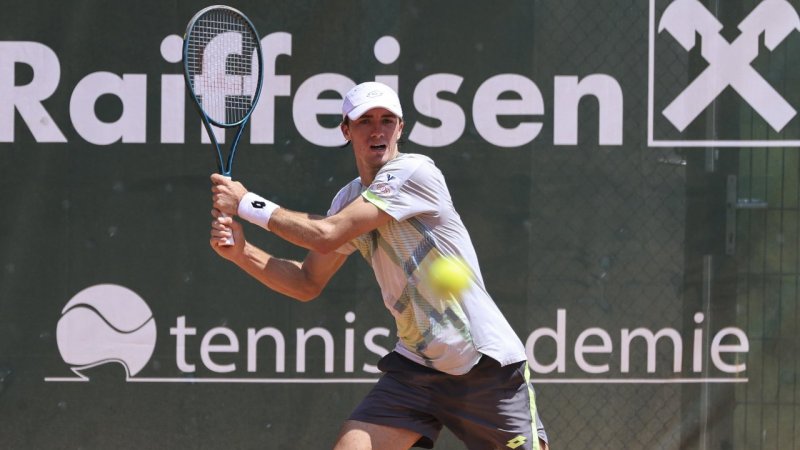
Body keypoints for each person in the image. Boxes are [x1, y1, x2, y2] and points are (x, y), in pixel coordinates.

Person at [209, 81, 549, 450]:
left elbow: (327, 234)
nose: (377, 130)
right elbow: (307, 281)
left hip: (484, 365)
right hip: (417, 368)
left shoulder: (415, 172)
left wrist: (246, 204)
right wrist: (243, 253)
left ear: (400, 128)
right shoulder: (349, 200)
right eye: (365, 121)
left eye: (387, 120)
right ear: (346, 130)